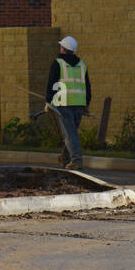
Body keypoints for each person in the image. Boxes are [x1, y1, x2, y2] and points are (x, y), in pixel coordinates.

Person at [47, 35, 91, 170]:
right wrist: (87, 103)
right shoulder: (82, 64)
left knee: (70, 133)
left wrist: (48, 101)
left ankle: (76, 161)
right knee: (71, 132)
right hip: (79, 102)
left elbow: (52, 83)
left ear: (63, 49)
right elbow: (87, 85)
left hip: (64, 102)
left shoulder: (58, 63)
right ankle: (65, 158)